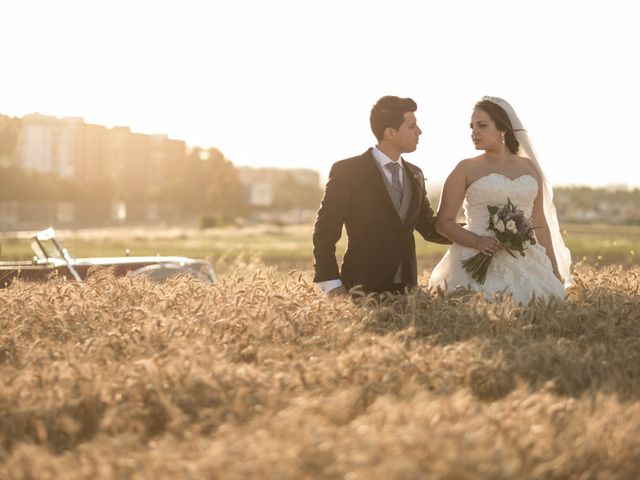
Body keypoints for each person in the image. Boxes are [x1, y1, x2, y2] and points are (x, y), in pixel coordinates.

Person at [428, 96, 572, 304]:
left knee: (540, 309)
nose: (474, 132)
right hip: (475, 256)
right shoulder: (465, 168)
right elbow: (443, 222)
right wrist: (478, 241)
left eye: (482, 125)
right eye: (472, 126)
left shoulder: (530, 168)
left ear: (503, 129)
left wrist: (554, 271)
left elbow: (539, 224)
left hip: (525, 257)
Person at [313, 95, 451, 295]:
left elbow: (429, 227)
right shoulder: (348, 171)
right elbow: (325, 231)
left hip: (407, 293)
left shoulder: (415, 173)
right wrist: (331, 284)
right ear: (390, 133)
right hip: (361, 291)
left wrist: (480, 231)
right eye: (412, 126)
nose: (419, 131)